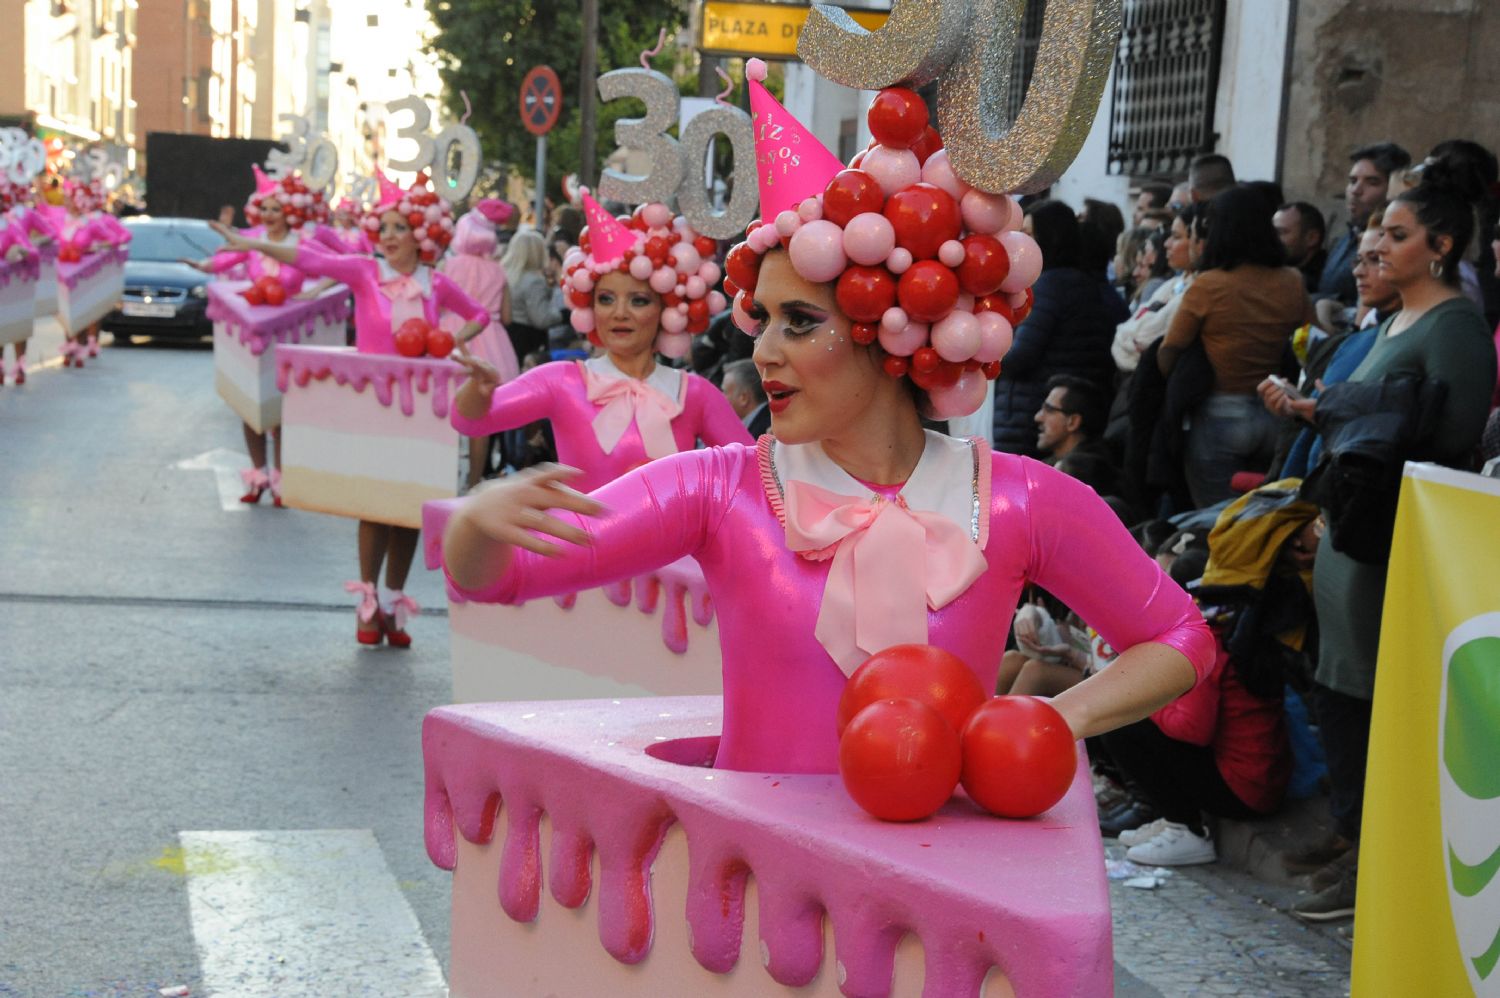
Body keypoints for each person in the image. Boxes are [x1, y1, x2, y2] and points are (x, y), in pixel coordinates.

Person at [441, 66, 1215, 776]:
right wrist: (475, 527)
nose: (764, 350)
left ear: (894, 333)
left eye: (800, 323)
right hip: (756, 899)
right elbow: (503, 579)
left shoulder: (1020, 500)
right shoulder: (720, 489)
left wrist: (1049, 720)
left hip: (942, 903)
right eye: (765, 318)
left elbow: (1184, 639)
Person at [1261, 163, 1498, 921]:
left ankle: (1374, 867)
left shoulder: (1454, 326)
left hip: (1390, 532)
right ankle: (1351, 841)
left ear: (1442, 244)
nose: (1382, 248)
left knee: (1368, 698)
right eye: (1382, 235)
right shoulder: (1397, 318)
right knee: (1335, 686)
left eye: (1398, 236)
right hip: (1348, 522)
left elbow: (1446, 444)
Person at [213, 172, 491, 648]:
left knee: (410, 509)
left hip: (424, 412)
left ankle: (391, 600)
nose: (387, 236)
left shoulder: (437, 284)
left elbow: (480, 316)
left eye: (399, 227)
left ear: (421, 234)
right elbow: (310, 257)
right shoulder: (365, 271)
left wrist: (451, 345)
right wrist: (246, 242)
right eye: (383, 228)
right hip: (373, 408)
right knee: (373, 504)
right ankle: (367, 604)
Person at [450, 194, 752, 496]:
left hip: (673, 545)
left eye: (638, 300)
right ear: (590, 306)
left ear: (668, 309)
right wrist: (477, 389)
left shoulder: (695, 394)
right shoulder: (561, 381)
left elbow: (750, 472)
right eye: (606, 299)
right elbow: (468, 421)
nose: (619, 312)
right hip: (578, 542)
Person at [1105, 483, 1316, 865]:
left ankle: (1186, 829)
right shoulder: (1223, 627)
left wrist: (1146, 701)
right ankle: (1170, 817)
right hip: (1254, 778)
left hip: (1245, 789)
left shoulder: (1207, 641)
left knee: (1124, 718)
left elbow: (1192, 729)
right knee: (1124, 708)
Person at [192, 167, 342, 504]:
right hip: (253, 334)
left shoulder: (300, 244)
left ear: (290, 212)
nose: (269, 215)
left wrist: (314, 291)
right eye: (265, 208)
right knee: (250, 407)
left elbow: (339, 266)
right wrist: (201, 266)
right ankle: (258, 476)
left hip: (289, 334)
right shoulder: (252, 241)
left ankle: (281, 479)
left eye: (276, 209)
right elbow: (224, 260)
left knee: (282, 411)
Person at [1159, 187, 1312, 506]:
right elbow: (1310, 341)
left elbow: (1169, 350)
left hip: (1218, 415)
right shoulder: (1292, 281)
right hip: (1275, 414)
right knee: (1259, 518)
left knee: (1216, 519)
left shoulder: (1209, 285)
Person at [992, 199, 1127, 455]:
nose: (1019, 244)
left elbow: (1019, 356)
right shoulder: (1083, 284)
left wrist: (988, 350)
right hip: (1053, 409)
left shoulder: (1049, 286)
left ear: (1048, 238)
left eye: (1028, 235)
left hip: (1033, 411)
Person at [440, 198, 522, 491]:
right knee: (481, 417)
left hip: (451, 336)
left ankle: (442, 478)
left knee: (444, 408)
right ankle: (473, 481)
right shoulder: (498, 271)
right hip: (492, 341)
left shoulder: (448, 265)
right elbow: (508, 315)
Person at [1317, 142, 1411, 305]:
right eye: (1353, 181)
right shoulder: (1345, 239)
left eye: (1372, 182)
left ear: (1394, 189)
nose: (1356, 190)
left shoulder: (1397, 244)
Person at [1113, 205, 1199, 373]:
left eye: (1175, 236)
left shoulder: (1194, 289)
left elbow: (1143, 339)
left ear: (1197, 240)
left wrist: (1128, 339)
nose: (1166, 243)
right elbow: (1122, 334)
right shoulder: (1172, 284)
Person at [499, 230, 562, 363]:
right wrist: (563, 315)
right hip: (528, 341)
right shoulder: (534, 282)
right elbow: (541, 319)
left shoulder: (504, 275)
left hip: (505, 337)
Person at [1035, 373, 1109, 464]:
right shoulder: (1048, 467)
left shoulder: (1087, 474)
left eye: (1049, 410)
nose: (1037, 417)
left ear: (1073, 422)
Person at [1273, 202, 1328, 293]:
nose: (1273, 239)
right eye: (1272, 232)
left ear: (1312, 238)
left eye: (1281, 232)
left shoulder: (1322, 278)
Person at [721, 357, 770, 437]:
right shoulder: (763, 422)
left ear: (743, 398)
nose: (720, 397)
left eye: (724, 392)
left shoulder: (764, 433)